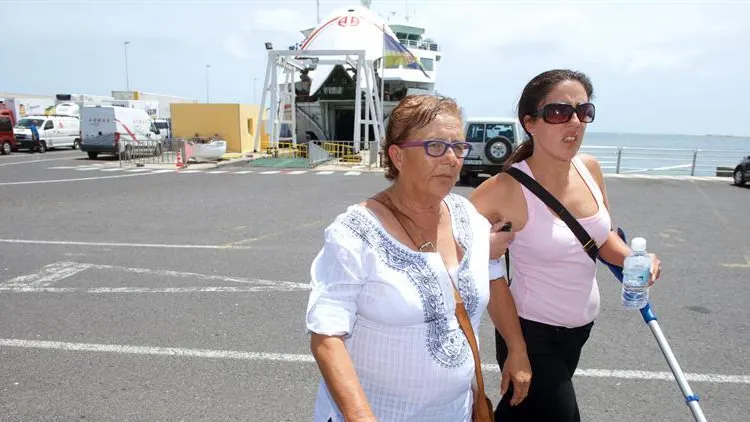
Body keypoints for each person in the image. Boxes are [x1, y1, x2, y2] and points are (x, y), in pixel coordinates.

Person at [305, 94, 531, 422]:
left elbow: (493, 274)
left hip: (455, 413)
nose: (451, 158)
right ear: (397, 155)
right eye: (435, 146)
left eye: (458, 147)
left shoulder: (468, 217)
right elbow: (327, 335)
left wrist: (517, 348)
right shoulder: (355, 231)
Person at [470, 69, 663, 421]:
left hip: (580, 329)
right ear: (530, 122)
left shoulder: (590, 169)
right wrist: (516, 348)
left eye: (583, 111)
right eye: (559, 112)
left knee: (523, 413)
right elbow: (472, 261)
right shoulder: (503, 188)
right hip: (530, 333)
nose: (574, 121)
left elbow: (599, 240)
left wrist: (637, 258)